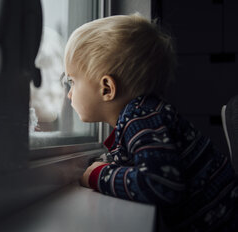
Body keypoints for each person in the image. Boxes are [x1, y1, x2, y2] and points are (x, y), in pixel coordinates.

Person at [63, 13, 238, 231]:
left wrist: (97, 175)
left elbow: (160, 184)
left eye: (72, 81)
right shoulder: (145, 113)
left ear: (106, 88)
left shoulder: (140, 117)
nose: (69, 94)